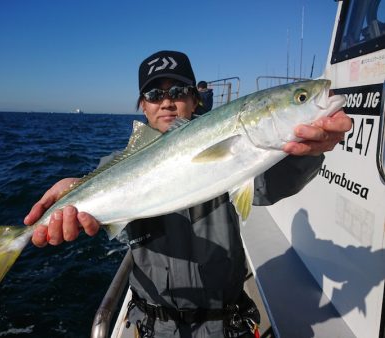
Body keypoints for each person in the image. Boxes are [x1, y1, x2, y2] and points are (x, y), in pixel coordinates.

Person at [24, 50, 352, 337]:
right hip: (152, 326)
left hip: (225, 323)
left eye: (179, 90)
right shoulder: (113, 165)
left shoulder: (247, 157)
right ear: (142, 105)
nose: (167, 101)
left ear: (195, 99)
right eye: (154, 93)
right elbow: (102, 193)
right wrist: (75, 191)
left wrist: (308, 152)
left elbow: (274, 183)